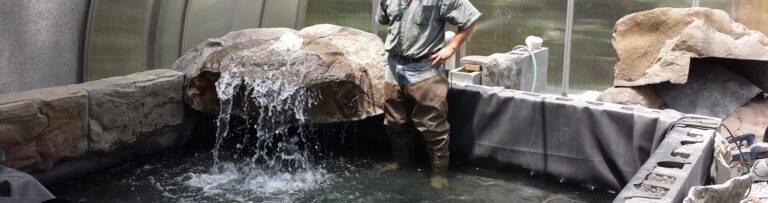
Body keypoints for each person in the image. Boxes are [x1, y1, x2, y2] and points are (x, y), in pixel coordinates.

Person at [376, 0, 480, 189]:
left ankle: (438, 175)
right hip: (393, 68)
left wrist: (452, 47)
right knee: (395, 123)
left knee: (434, 129)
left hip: (425, 70)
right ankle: (402, 164)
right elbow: (384, 19)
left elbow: (470, 18)